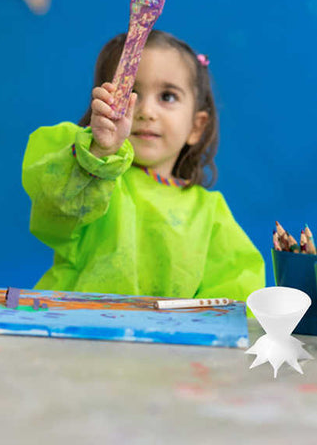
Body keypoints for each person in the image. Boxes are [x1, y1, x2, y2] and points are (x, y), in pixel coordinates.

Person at [22, 30, 265, 301]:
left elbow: (236, 295)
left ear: (197, 126)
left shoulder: (209, 213)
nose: (146, 111)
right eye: (129, 92)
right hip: (74, 332)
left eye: (168, 97)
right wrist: (98, 153)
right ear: (100, 106)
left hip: (168, 342)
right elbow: (54, 198)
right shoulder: (92, 179)